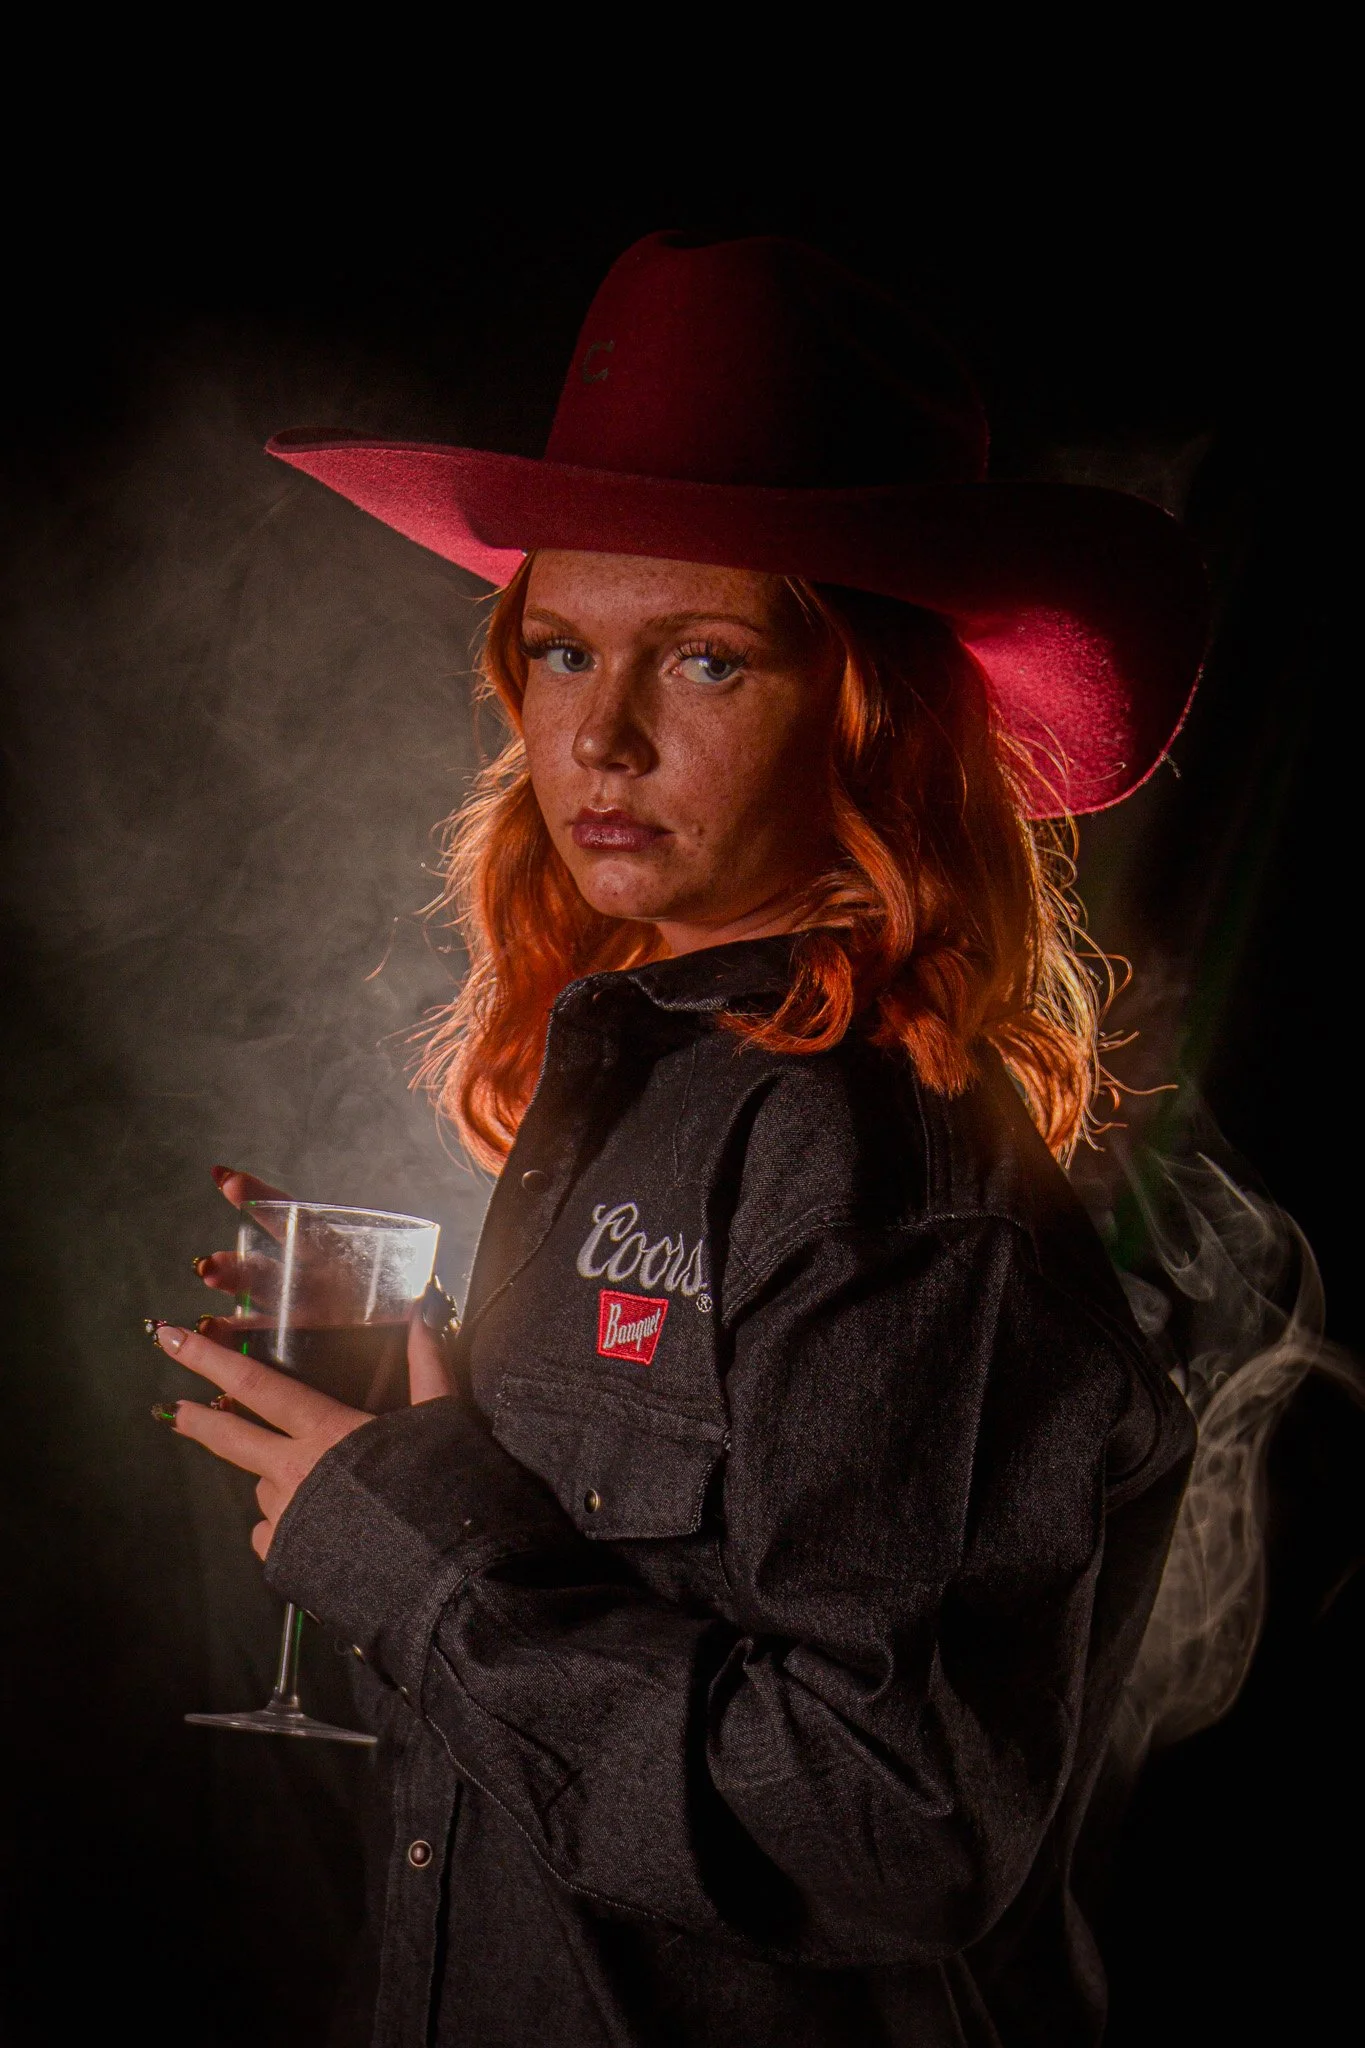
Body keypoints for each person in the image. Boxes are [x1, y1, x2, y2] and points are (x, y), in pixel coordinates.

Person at [148, 233, 1209, 2046]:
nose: (605, 737)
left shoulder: (885, 1167)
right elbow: (586, 1658)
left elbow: (894, 1818)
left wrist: (412, 1547)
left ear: (870, 714)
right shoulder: (637, 1081)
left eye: (705, 662)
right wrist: (411, 1453)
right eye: (563, 649)